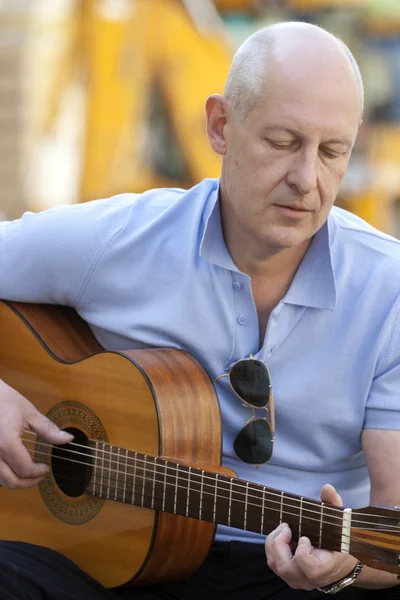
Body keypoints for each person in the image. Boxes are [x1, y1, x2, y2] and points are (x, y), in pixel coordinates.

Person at [0, 20, 399, 600]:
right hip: (105, 559)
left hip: (295, 582)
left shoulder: (388, 290)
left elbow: (393, 525)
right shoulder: (121, 240)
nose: (306, 179)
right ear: (220, 126)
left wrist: (350, 570)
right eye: (283, 142)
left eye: (332, 151)